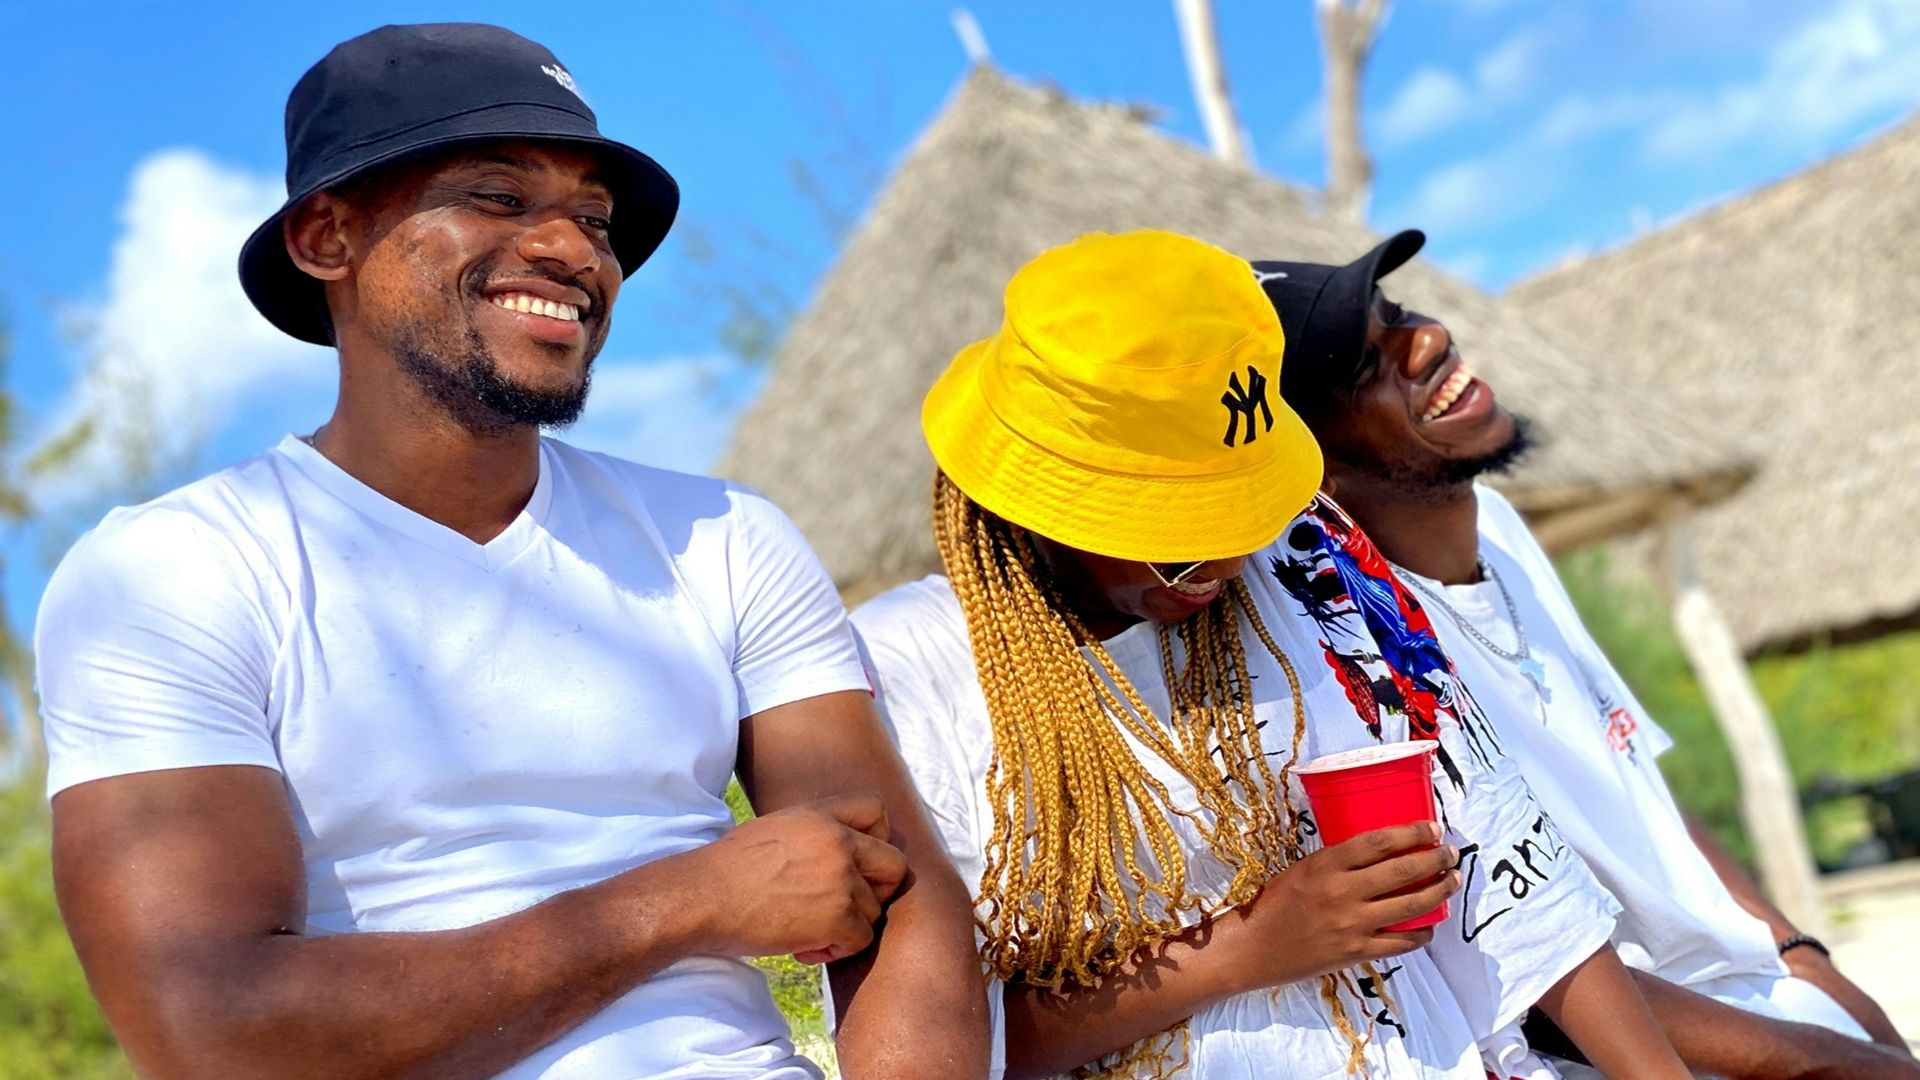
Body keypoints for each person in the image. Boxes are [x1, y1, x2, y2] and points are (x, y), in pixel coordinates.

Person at [37, 23, 987, 1080]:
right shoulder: (175, 572)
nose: (575, 252)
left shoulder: (723, 540)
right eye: (498, 196)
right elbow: (207, 1031)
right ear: (326, 238)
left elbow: (906, 905)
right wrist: (688, 902)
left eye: (594, 218)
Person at [853, 228, 1688, 1078]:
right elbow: (941, 1049)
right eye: (1182, 541)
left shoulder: (1307, 557)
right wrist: (1250, 947)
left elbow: (1508, 861)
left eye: (1244, 516)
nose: (1223, 569)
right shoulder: (902, 679)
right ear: (1040, 508)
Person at [1253, 230, 1916, 1078]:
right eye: (1365, 366)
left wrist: (1802, 954)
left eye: (1399, 314)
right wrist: (1813, 1056)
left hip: (1774, 1005)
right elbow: (1505, 959)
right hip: (1637, 1047)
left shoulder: (1506, 532)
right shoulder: (1349, 648)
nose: (1427, 341)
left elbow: (1632, 771)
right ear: (1314, 469)